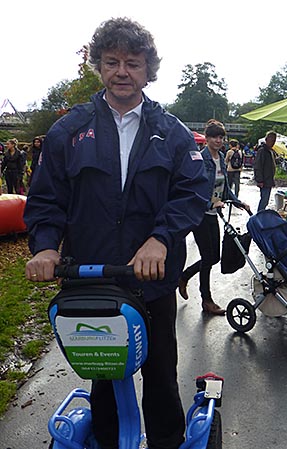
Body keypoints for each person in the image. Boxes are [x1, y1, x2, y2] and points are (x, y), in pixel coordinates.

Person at [23, 17, 210, 449]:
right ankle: (107, 441)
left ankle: (166, 440)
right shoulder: (68, 132)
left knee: (161, 369)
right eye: (112, 62)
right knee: (105, 373)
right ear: (99, 67)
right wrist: (47, 246)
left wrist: (161, 238)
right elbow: (46, 198)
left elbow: (192, 192)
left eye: (133, 63)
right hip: (93, 277)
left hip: (153, 278)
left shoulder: (173, 134)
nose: (122, 71)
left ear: (148, 71)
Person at [177, 120, 250, 315]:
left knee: (214, 257)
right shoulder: (200, 159)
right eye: (215, 137)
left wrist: (237, 201)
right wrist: (210, 204)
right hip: (200, 214)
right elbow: (194, 190)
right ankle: (206, 300)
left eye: (221, 137)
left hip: (212, 215)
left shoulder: (221, 158)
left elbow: (224, 188)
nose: (219, 140)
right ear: (207, 138)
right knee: (208, 258)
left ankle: (185, 276)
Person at [254, 130, 277, 211]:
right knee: (264, 200)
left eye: (274, 140)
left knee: (265, 200)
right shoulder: (262, 151)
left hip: (268, 180)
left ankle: (260, 215)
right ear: (267, 139)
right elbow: (258, 166)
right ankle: (259, 216)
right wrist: (259, 180)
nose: (273, 142)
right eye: (272, 140)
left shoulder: (270, 151)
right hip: (264, 180)